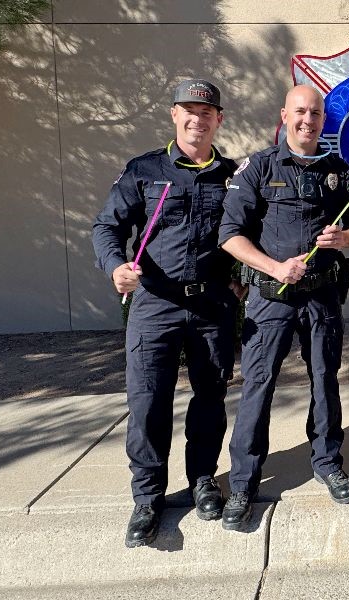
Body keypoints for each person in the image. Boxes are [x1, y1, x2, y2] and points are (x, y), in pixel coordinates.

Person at [92, 79, 242, 547]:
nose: (198, 118)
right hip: (155, 303)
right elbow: (107, 227)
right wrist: (116, 266)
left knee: (209, 397)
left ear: (219, 119)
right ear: (174, 115)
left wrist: (244, 277)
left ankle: (202, 481)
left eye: (207, 111)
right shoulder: (144, 170)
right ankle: (148, 496)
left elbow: (251, 232)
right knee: (148, 401)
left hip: (212, 304)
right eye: (189, 110)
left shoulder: (233, 175)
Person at [217, 85, 349, 529]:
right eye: (300, 111)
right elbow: (230, 234)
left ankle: (326, 461)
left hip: (322, 298)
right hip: (271, 300)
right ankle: (244, 481)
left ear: (324, 120)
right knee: (258, 387)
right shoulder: (259, 168)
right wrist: (272, 266)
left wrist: (344, 239)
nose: (308, 120)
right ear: (284, 115)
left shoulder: (338, 171)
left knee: (325, 382)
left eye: (316, 114)